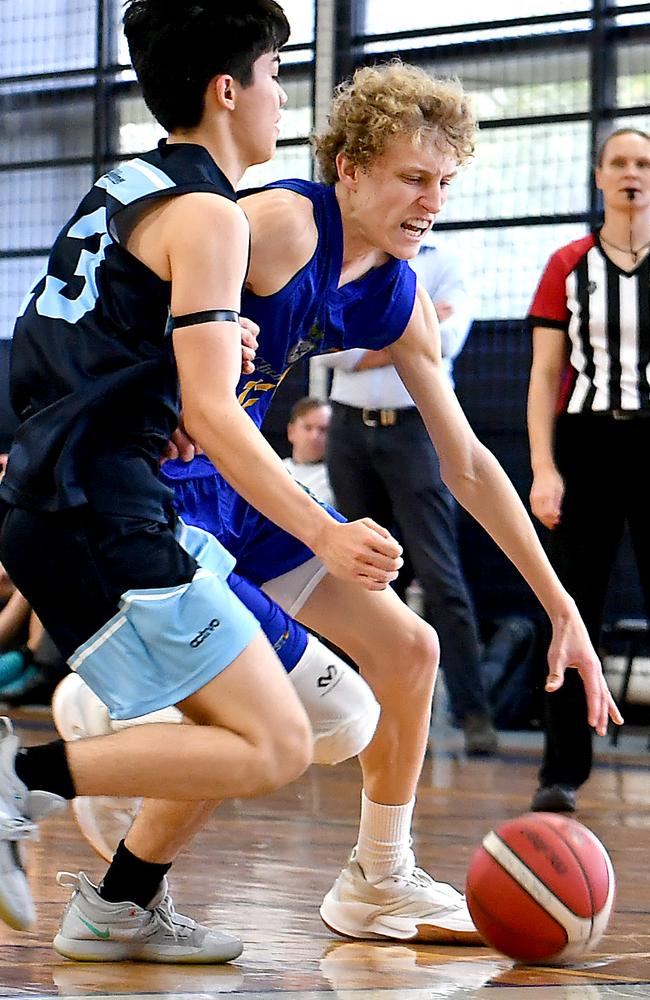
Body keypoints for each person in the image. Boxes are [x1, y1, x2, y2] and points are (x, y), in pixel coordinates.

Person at [69, 62, 620, 945]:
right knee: (273, 717)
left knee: (409, 649)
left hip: (245, 489)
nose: (431, 199)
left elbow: (469, 464)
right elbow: (136, 291)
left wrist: (561, 608)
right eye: (412, 176)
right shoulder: (280, 223)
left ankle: (377, 879)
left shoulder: (400, 296)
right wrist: (148, 403)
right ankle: (125, 789)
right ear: (350, 169)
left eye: (443, 180)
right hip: (161, 491)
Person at [0, 0, 393, 962]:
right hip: (101, 510)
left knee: (267, 722)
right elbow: (219, 417)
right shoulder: (215, 214)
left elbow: (61, 347)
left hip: (69, 496)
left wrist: (167, 383)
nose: (279, 97)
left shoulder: (122, 188)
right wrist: (322, 529)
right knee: (277, 742)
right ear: (228, 89)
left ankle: (119, 904)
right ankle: (18, 780)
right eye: (272, 76)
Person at [318, 242, 499, 755]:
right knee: (359, 576)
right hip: (349, 433)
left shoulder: (446, 261)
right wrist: (405, 334)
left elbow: (447, 341)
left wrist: (366, 339)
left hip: (417, 430)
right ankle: (362, 713)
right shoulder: (345, 259)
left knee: (439, 573)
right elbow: (326, 350)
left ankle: (473, 712)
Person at [526, 126, 650, 813]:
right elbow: (544, 375)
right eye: (621, 162)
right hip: (586, 445)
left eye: (644, 164)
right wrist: (544, 467)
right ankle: (562, 771)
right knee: (571, 608)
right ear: (600, 176)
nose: (633, 173)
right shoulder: (567, 264)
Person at [282, 396, 334, 505]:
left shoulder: (339, 479)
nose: (314, 437)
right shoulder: (274, 469)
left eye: (323, 429)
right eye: (307, 427)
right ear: (291, 431)